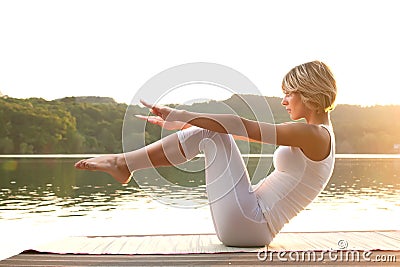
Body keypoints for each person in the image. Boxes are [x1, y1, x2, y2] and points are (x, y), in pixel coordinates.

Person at [75, 60, 337, 247]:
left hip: (251, 224)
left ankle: (124, 163)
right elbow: (237, 132)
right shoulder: (320, 134)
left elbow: (243, 126)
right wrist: (189, 124)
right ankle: (124, 164)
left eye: (289, 93)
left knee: (213, 133)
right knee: (212, 133)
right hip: (249, 222)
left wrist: (181, 115)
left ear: (309, 92)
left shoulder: (313, 135)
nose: (284, 101)